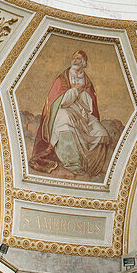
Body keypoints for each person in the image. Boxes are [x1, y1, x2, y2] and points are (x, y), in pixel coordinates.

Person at [30, 49, 115, 178]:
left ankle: (91, 166)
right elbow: (61, 102)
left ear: (84, 63)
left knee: (101, 132)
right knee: (65, 120)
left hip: (83, 115)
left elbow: (90, 107)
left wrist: (82, 93)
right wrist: (74, 91)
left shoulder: (87, 82)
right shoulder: (62, 79)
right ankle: (72, 163)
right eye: (74, 58)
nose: (75, 60)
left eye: (79, 58)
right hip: (64, 111)